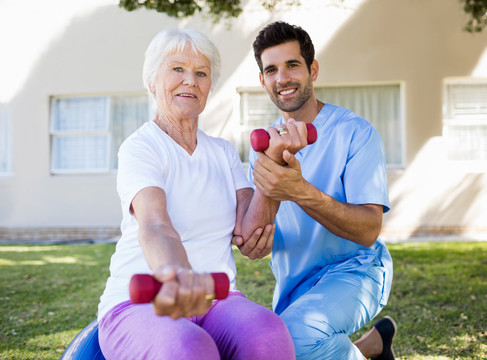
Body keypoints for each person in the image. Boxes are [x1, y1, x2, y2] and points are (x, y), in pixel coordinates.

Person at [97, 27, 297, 360]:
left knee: (269, 334)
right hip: (143, 301)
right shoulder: (141, 148)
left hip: (216, 299)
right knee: (189, 348)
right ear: (152, 81)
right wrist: (178, 276)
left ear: (208, 87)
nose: (190, 80)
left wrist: (275, 168)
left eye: (201, 73)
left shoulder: (223, 152)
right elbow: (155, 224)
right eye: (177, 69)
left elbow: (249, 236)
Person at [233, 21, 397, 360]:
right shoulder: (263, 148)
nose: (283, 78)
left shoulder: (355, 133)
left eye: (292, 65)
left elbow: (368, 231)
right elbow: (254, 246)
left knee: (297, 337)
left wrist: (299, 189)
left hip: (359, 270)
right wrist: (273, 174)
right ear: (263, 80)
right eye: (272, 70)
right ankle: (373, 347)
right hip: (296, 287)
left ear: (313, 70)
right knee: (275, 345)